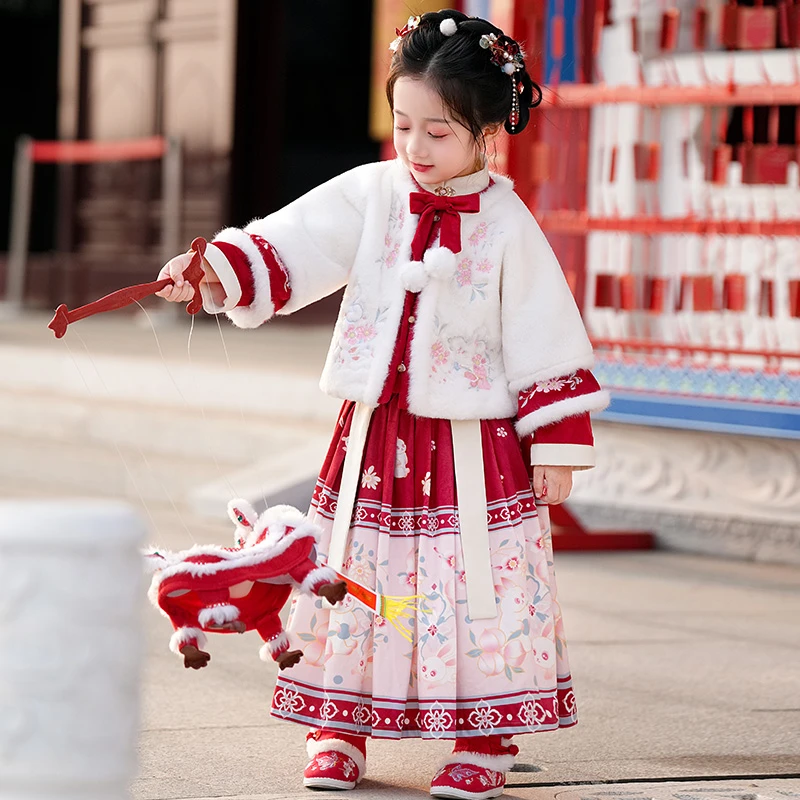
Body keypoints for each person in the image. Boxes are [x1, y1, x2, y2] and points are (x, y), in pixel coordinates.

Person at [157, 9, 608, 798]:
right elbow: (293, 242)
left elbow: (545, 330)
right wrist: (215, 270)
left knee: (469, 581)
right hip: (372, 441)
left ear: (487, 130)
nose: (415, 146)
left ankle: (485, 733)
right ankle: (340, 723)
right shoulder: (373, 193)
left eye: (439, 131)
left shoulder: (508, 224)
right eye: (404, 124)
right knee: (352, 570)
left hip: (474, 450)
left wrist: (558, 444)